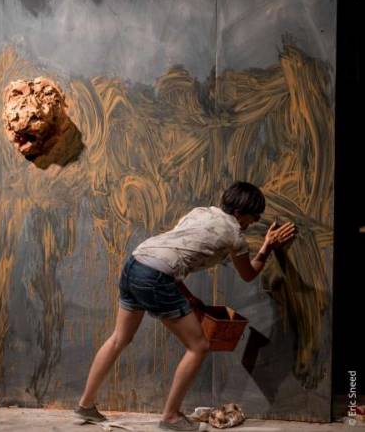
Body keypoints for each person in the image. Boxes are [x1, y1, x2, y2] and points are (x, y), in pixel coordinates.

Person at [74, 181, 297, 431]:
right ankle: (170, 417)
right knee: (199, 346)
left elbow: (173, 251)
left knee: (119, 338)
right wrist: (268, 247)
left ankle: (85, 405)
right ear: (238, 213)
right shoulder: (235, 236)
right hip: (156, 276)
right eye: (253, 217)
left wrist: (188, 296)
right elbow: (248, 273)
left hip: (135, 263)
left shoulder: (199, 212)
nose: (253, 222)